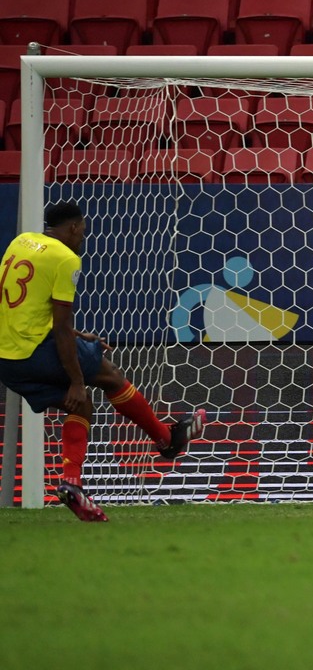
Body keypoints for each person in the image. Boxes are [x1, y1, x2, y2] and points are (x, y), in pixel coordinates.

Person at [0, 201, 206, 521]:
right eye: (82, 230)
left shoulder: (20, 242)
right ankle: (167, 440)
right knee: (106, 374)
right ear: (72, 228)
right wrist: (77, 379)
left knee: (79, 405)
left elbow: (24, 305)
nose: (83, 236)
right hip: (34, 351)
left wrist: (78, 337)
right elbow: (61, 325)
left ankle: (73, 484)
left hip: (6, 358)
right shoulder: (66, 258)